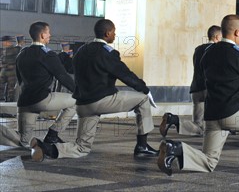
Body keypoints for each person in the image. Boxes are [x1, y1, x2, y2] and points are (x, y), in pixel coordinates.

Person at [157, 15, 239, 176]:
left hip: (212, 114)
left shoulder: (207, 53)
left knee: (209, 161)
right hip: (231, 113)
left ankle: (176, 149)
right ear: (236, 32)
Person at [29, 19, 158, 161]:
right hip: (102, 101)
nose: (115, 35)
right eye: (114, 32)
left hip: (83, 105)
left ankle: (47, 148)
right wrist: (145, 89)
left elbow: (71, 68)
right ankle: (142, 146)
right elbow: (125, 74)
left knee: (82, 147)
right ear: (107, 33)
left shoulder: (81, 51)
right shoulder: (108, 53)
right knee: (143, 99)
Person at [0, 22, 76, 148]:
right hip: (42, 99)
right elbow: (62, 76)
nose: (50, 35)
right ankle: (53, 134)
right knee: (76, 101)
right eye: (48, 32)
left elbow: (20, 79)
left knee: (24, 141)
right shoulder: (48, 55)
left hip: (24, 102)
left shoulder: (21, 54)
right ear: (42, 35)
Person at [161, 25, 222, 137]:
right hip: (210, 89)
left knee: (198, 125)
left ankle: (174, 120)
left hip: (196, 89)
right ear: (217, 37)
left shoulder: (198, 49)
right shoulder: (217, 49)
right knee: (220, 118)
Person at [1, 35, 19, 102]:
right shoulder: (3, 50)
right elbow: (2, 59)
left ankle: (9, 101)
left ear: (8, 41)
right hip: (4, 70)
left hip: (11, 71)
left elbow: (17, 60)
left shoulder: (15, 49)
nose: (3, 43)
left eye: (4, 41)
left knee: (11, 89)